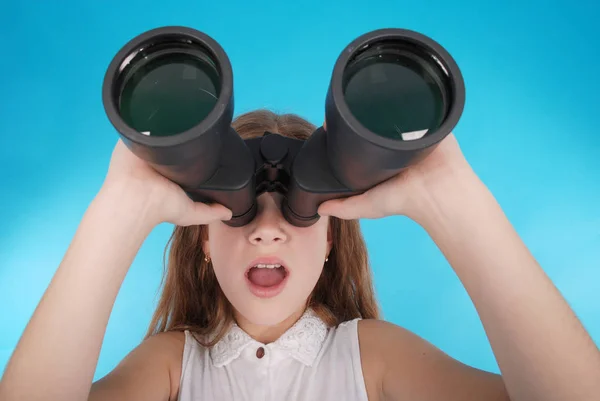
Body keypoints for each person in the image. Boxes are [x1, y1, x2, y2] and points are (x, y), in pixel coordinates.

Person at [1, 109, 599, 401]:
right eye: (237, 210)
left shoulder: (371, 355)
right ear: (202, 241)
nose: (267, 231)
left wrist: (454, 200)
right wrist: (120, 207)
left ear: (333, 236)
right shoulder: (172, 365)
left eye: (296, 208)